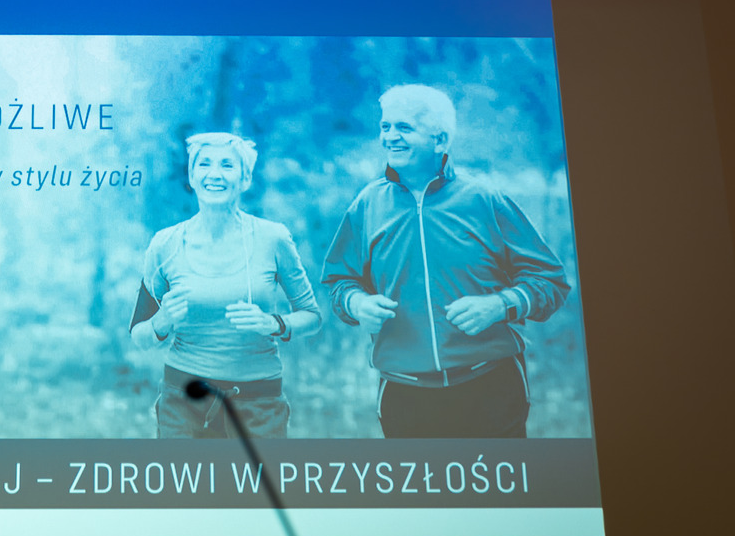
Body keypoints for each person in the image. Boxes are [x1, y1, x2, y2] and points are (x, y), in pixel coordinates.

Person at [321, 84, 570, 438]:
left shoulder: (483, 199)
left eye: (404, 127)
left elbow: (550, 280)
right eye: (385, 126)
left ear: (439, 140)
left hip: (491, 384)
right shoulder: (367, 204)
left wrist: (500, 305)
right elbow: (338, 282)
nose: (390, 136)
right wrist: (357, 303)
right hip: (403, 393)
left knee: (500, 479)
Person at [131, 132, 322, 438]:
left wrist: (274, 323)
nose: (215, 174)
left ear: (245, 179)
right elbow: (139, 336)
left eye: (227, 165)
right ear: (192, 177)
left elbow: (312, 316)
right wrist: (161, 321)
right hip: (183, 405)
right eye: (205, 164)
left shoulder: (273, 238)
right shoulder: (165, 244)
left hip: (259, 404)